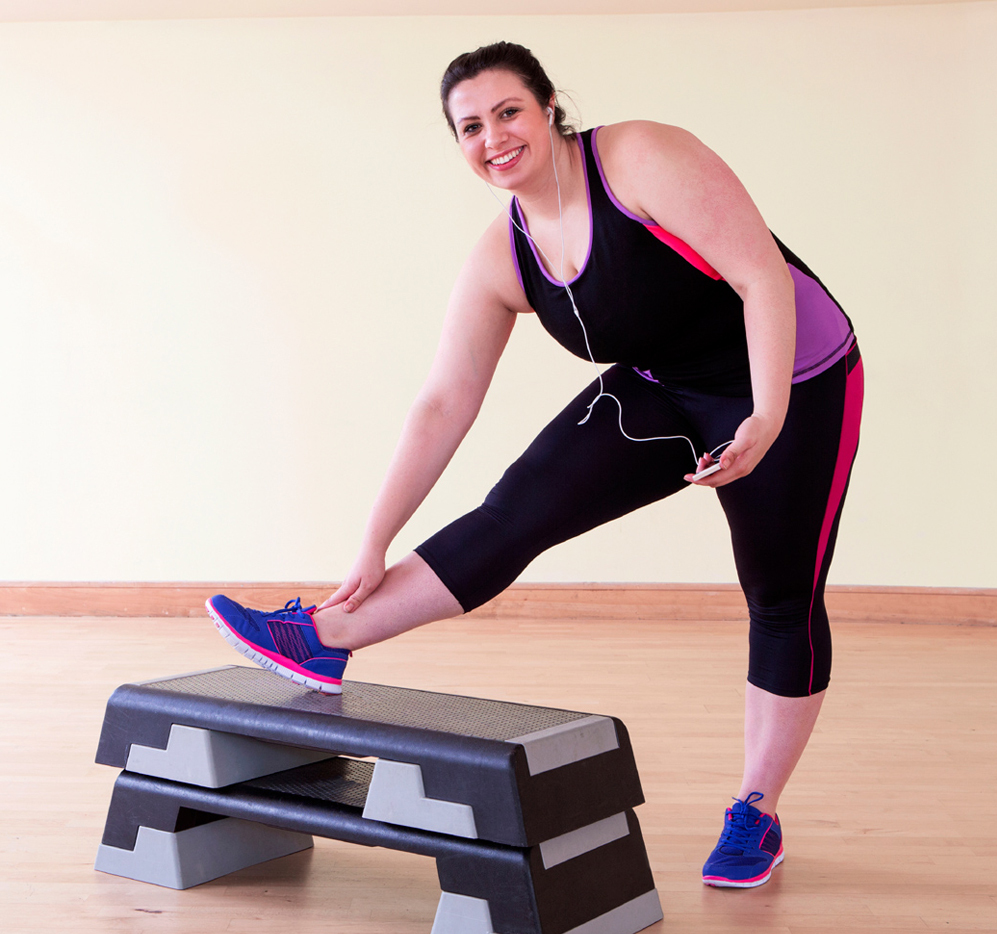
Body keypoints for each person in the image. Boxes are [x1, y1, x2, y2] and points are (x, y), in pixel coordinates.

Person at [207, 41, 863, 889]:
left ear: (549, 106)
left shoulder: (640, 160)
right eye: (470, 127)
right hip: (665, 388)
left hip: (795, 375)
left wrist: (766, 415)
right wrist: (373, 539)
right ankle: (324, 638)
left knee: (780, 594)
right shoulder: (503, 257)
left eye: (508, 111)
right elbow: (443, 403)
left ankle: (756, 811)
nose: (494, 137)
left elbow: (760, 278)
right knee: (519, 508)